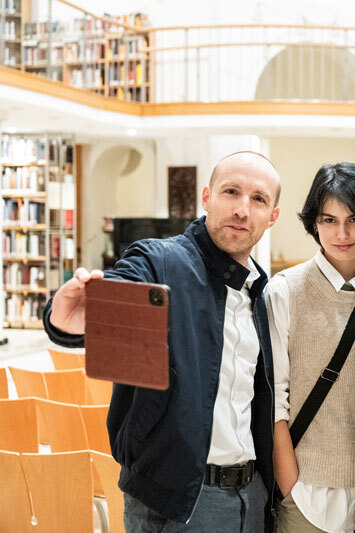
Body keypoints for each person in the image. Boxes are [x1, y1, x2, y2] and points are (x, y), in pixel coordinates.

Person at [43, 151, 281, 532]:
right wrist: (69, 320)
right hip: (176, 503)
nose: (242, 209)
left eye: (258, 199)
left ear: (272, 216)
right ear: (206, 198)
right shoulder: (159, 261)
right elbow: (115, 295)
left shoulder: (264, 293)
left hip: (250, 499)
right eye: (231, 192)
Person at [268, 162, 355, 532]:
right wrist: (291, 486)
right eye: (328, 219)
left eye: (354, 219)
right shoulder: (284, 290)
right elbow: (276, 398)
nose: (342, 232)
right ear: (314, 223)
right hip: (306, 494)